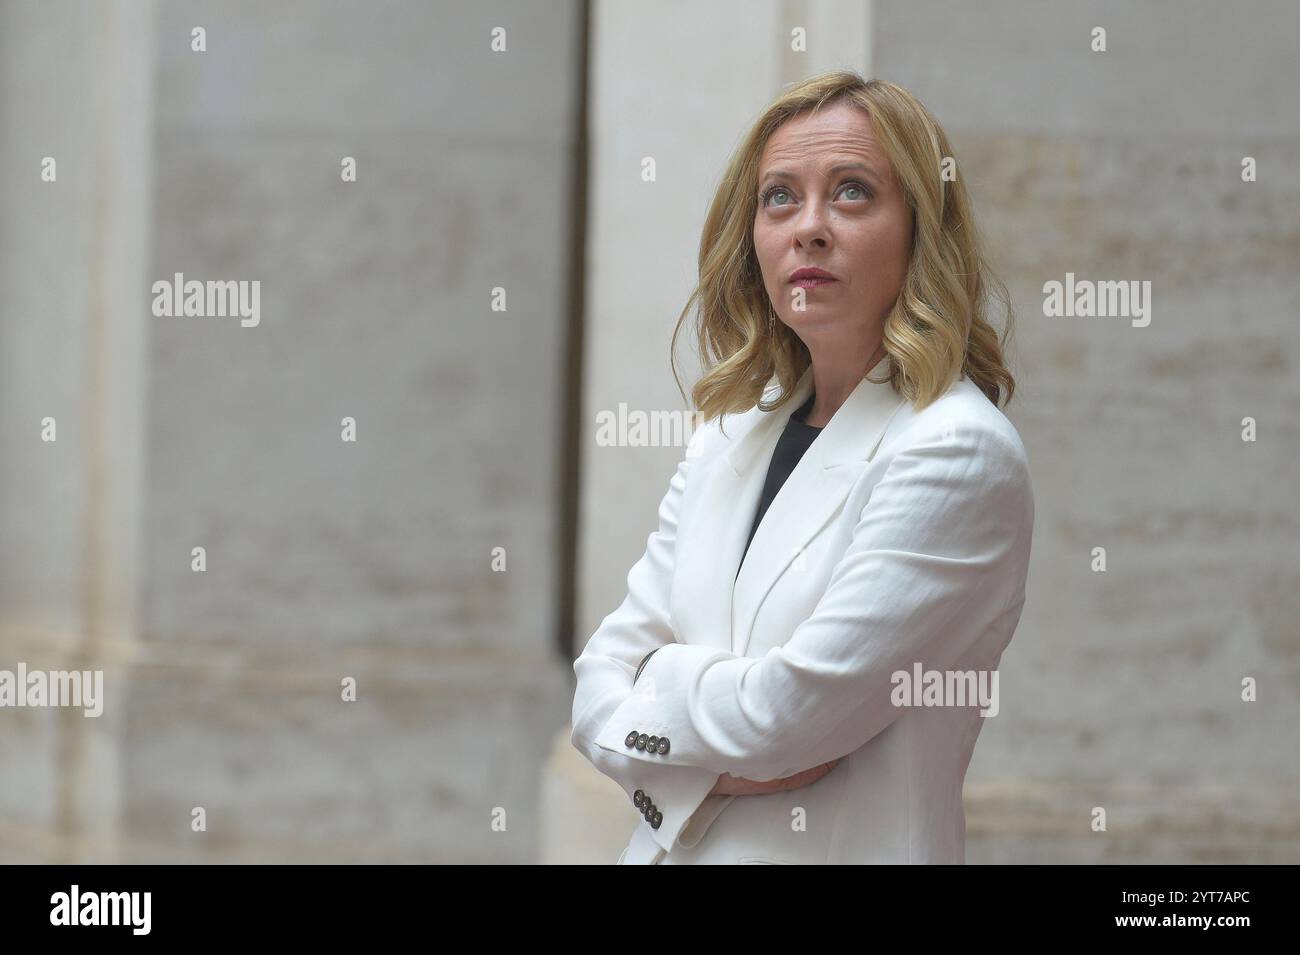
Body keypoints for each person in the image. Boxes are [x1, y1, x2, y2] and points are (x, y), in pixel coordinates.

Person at [570, 71, 1034, 864]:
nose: (808, 228)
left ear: (921, 229)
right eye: (780, 197)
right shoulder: (730, 434)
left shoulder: (956, 450)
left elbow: (786, 719)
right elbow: (595, 687)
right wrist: (715, 757)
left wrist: (661, 684)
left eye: (852, 193)